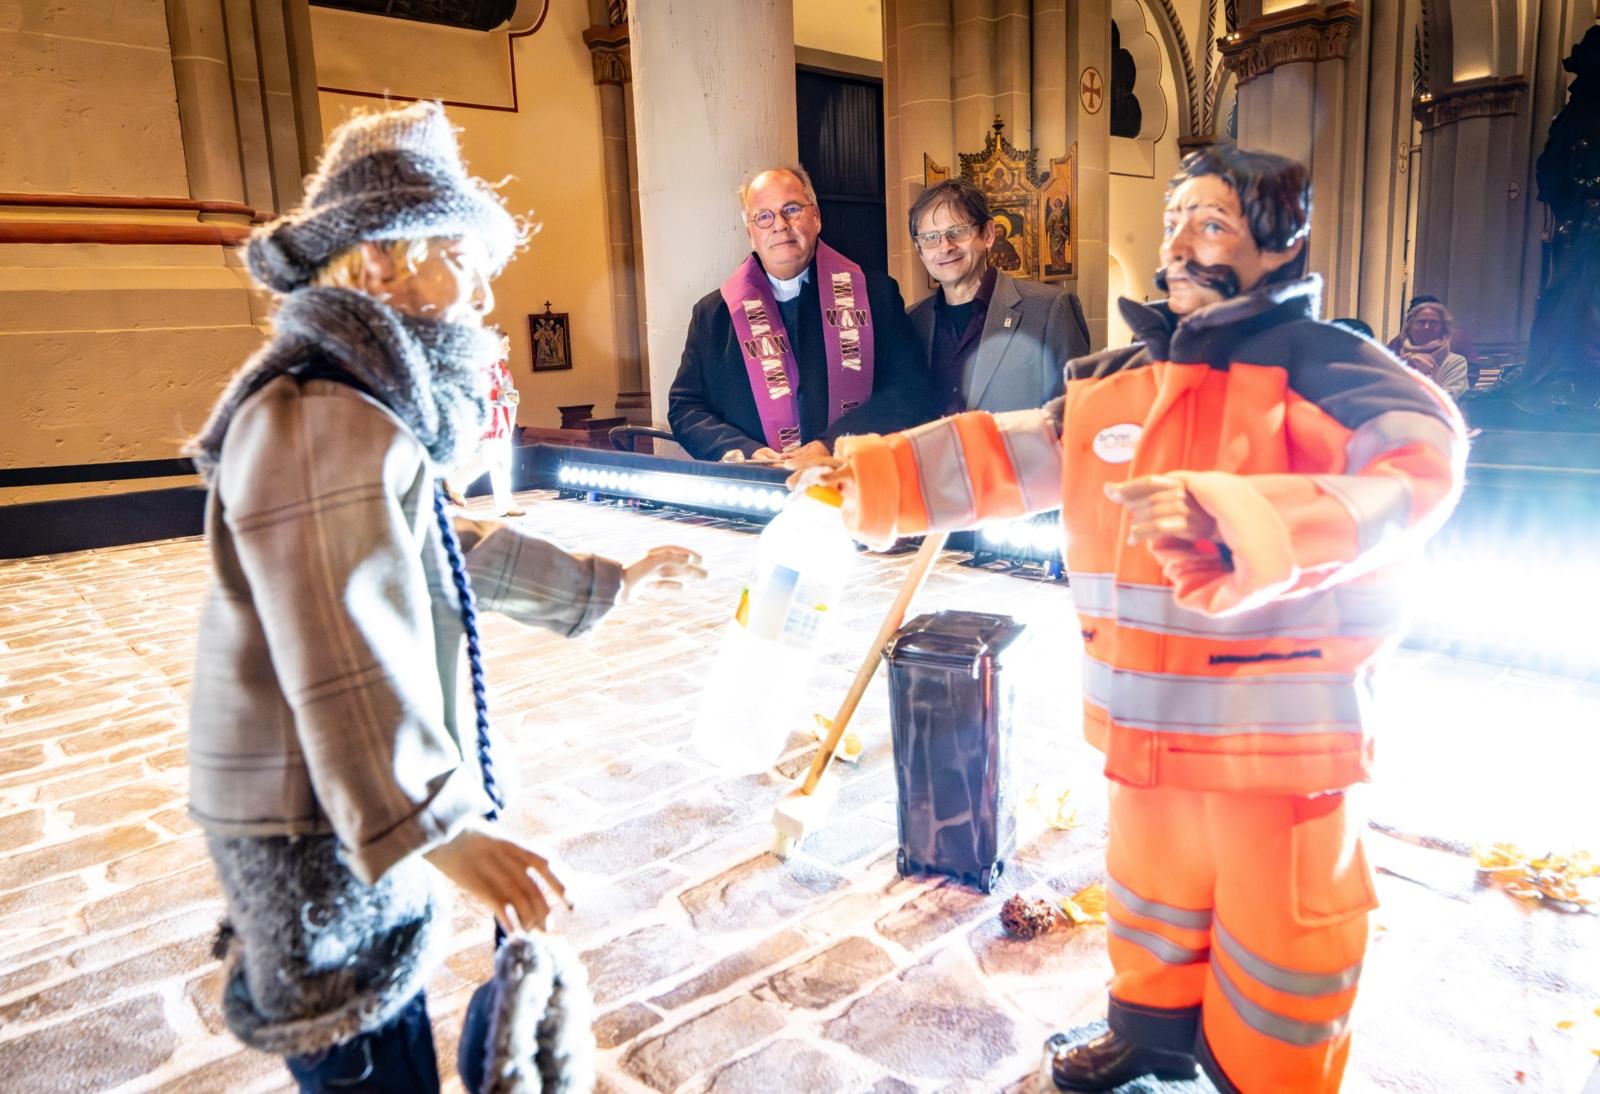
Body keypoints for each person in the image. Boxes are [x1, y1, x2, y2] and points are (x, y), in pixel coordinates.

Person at [791, 146, 1465, 1093]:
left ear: (1283, 243)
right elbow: (1010, 453)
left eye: (1214, 222)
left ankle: (1270, 1079)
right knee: (1153, 896)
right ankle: (1150, 1031)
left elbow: (1416, 472)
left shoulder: (1339, 374)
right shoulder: (1118, 380)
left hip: (1278, 744)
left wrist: (1257, 527)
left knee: (1285, 927)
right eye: (1176, 220)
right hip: (1144, 729)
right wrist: (866, 476)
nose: (1182, 242)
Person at [183, 101, 704, 1092]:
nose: (481, 281)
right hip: (317, 827)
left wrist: (604, 585)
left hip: (345, 808)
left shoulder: (357, 404)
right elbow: (342, 643)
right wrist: (441, 823)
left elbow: (433, 547)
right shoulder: (324, 414)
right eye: (458, 248)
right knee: (369, 1055)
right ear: (381, 263)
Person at [668, 165, 935, 462]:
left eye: (791, 209)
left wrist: (830, 445)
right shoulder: (714, 315)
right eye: (764, 216)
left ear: (817, 217)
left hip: (853, 480)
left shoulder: (875, 295)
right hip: (756, 487)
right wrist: (747, 452)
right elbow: (686, 407)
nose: (779, 225)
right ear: (750, 234)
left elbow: (909, 390)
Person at [907, 178, 1090, 414]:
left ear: (988, 234)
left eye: (958, 231)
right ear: (920, 251)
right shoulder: (912, 321)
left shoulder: (1049, 309)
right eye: (931, 238)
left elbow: (1075, 414)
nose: (945, 247)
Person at [447, 329, 524, 516]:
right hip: (489, 422)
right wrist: (501, 397)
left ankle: (504, 503)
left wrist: (510, 398)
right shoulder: (479, 369)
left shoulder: (503, 371)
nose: (508, 347)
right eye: (504, 343)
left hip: (503, 422)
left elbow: (506, 394)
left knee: (503, 464)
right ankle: (455, 482)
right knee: (486, 458)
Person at [1392, 300, 1469, 398]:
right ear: (1409, 328)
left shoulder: (1455, 362)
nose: (1426, 327)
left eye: (1433, 323)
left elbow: (1447, 401)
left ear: (1443, 329)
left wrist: (1423, 375)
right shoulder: (1393, 362)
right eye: (1421, 322)